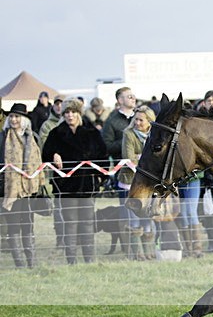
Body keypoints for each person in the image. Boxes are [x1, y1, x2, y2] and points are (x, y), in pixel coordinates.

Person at [42, 100, 107, 265]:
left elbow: (103, 156)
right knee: (69, 223)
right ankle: (71, 260)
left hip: (87, 185)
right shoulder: (56, 133)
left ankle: (89, 259)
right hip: (66, 187)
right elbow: (45, 155)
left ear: (79, 113)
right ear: (63, 115)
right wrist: (53, 155)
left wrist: (100, 177)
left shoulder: (92, 132)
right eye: (66, 112)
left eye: (73, 112)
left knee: (87, 223)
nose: (70, 115)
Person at [0, 104, 46, 268]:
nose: (13, 119)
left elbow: (38, 161)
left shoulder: (32, 137)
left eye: (17, 116)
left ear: (24, 119)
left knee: (28, 225)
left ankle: (31, 262)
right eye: (11, 116)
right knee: (13, 227)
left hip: (29, 189)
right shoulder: (3, 137)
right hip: (9, 189)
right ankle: (19, 263)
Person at [121, 106, 158, 259]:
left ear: (149, 121)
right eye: (135, 119)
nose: (137, 122)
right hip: (130, 182)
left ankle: (149, 252)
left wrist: (141, 157)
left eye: (140, 120)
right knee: (134, 219)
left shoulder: (155, 135)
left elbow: (158, 157)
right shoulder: (128, 134)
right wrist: (146, 158)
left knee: (147, 218)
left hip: (149, 184)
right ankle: (137, 254)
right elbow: (129, 157)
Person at [101, 87, 137, 161]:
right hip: (122, 166)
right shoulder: (111, 121)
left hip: (145, 167)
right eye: (130, 97)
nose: (133, 99)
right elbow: (108, 147)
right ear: (120, 100)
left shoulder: (142, 117)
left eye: (133, 96)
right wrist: (127, 141)